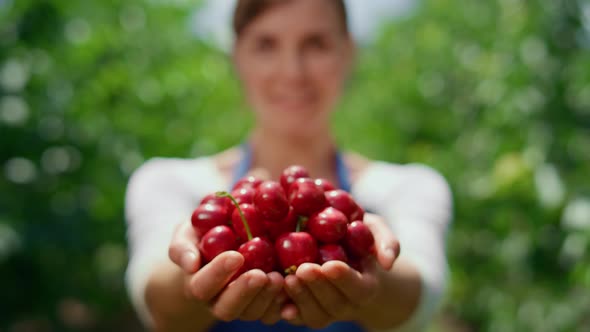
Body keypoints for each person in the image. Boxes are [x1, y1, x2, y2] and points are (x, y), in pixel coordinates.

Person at [124, 0, 453, 331]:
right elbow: (155, 302)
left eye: (316, 44)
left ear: (348, 53)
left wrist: (371, 268)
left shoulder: (407, 187)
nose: (292, 72)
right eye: (266, 45)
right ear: (237, 56)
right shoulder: (169, 182)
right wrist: (193, 270)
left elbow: (421, 298)